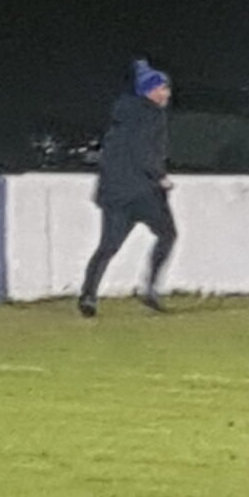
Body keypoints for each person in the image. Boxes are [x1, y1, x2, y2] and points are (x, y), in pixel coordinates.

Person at [78, 60, 176, 316]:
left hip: (114, 194)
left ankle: (88, 296)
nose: (167, 94)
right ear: (150, 91)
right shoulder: (153, 116)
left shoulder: (121, 117)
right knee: (167, 234)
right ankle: (150, 288)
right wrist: (160, 176)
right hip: (144, 192)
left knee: (107, 247)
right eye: (163, 88)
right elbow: (145, 152)